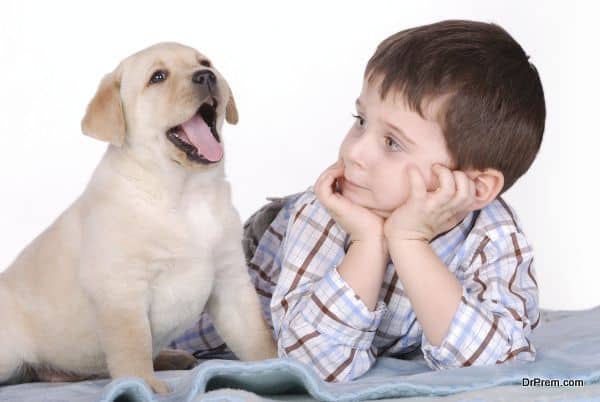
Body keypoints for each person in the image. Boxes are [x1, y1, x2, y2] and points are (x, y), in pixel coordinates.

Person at [171, 19, 544, 382]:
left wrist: (408, 242)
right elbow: (310, 363)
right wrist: (367, 242)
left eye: (392, 142)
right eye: (360, 120)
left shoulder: (494, 234)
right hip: (218, 281)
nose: (355, 152)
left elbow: (497, 360)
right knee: (153, 316)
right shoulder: (326, 209)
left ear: (476, 188)